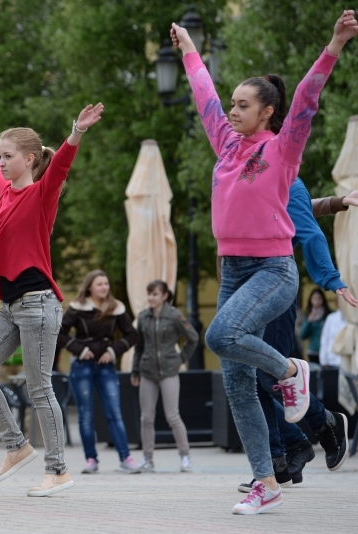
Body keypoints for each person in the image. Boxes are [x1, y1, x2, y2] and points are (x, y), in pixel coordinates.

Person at [171, 10, 357, 514]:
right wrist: (189, 47)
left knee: (218, 336)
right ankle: (265, 481)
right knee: (234, 381)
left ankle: (291, 372)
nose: (232, 111)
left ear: (267, 112)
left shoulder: (283, 149)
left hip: (273, 270)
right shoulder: (226, 146)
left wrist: (335, 44)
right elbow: (203, 94)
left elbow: (307, 99)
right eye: (232, 104)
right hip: (233, 270)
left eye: (243, 105)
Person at [0, 102, 104, 498]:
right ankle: (17, 445)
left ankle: (58, 470)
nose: (3, 162)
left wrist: (76, 131)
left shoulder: (42, 194)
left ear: (28, 159)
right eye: (1, 156)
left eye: (9, 156)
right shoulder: (6, 192)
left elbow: (59, 163)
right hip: (11, 308)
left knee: (39, 388)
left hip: (39, 305)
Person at [235, 181, 357, 493]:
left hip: (275, 286)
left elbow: (301, 218)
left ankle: (324, 422)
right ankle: (278, 461)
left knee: (267, 377)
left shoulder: (281, 171)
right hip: (241, 293)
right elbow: (276, 210)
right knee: (249, 380)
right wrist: (335, 201)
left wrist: (330, 278)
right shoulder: (237, 168)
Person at [57, 270, 139, 474]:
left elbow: (131, 335)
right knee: (85, 414)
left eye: (106, 283)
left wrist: (113, 351)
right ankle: (91, 460)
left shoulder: (116, 307)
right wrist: (81, 350)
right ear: (90, 287)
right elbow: (60, 333)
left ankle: (126, 458)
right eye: (100, 284)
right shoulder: (77, 308)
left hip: (106, 367)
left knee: (114, 413)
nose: (104, 287)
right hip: (81, 367)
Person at [131, 280, 198, 473]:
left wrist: (180, 359)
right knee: (147, 417)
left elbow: (192, 338)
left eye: (155, 294)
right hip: (147, 372)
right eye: (149, 294)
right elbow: (139, 346)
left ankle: (185, 456)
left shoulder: (175, 315)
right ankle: (147, 459)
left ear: (165, 296)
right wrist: (135, 371)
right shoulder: (143, 317)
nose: (151, 298)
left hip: (169, 371)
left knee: (172, 415)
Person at [299, 288, 332, 365]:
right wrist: (308, 322)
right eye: (314, 298)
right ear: (310, 300)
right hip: (313, 351)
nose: (317, 301)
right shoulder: (309, 315)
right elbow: (303, 335)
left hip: (327, 351)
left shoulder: (329, 315)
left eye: (319, 298)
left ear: (323, 299)